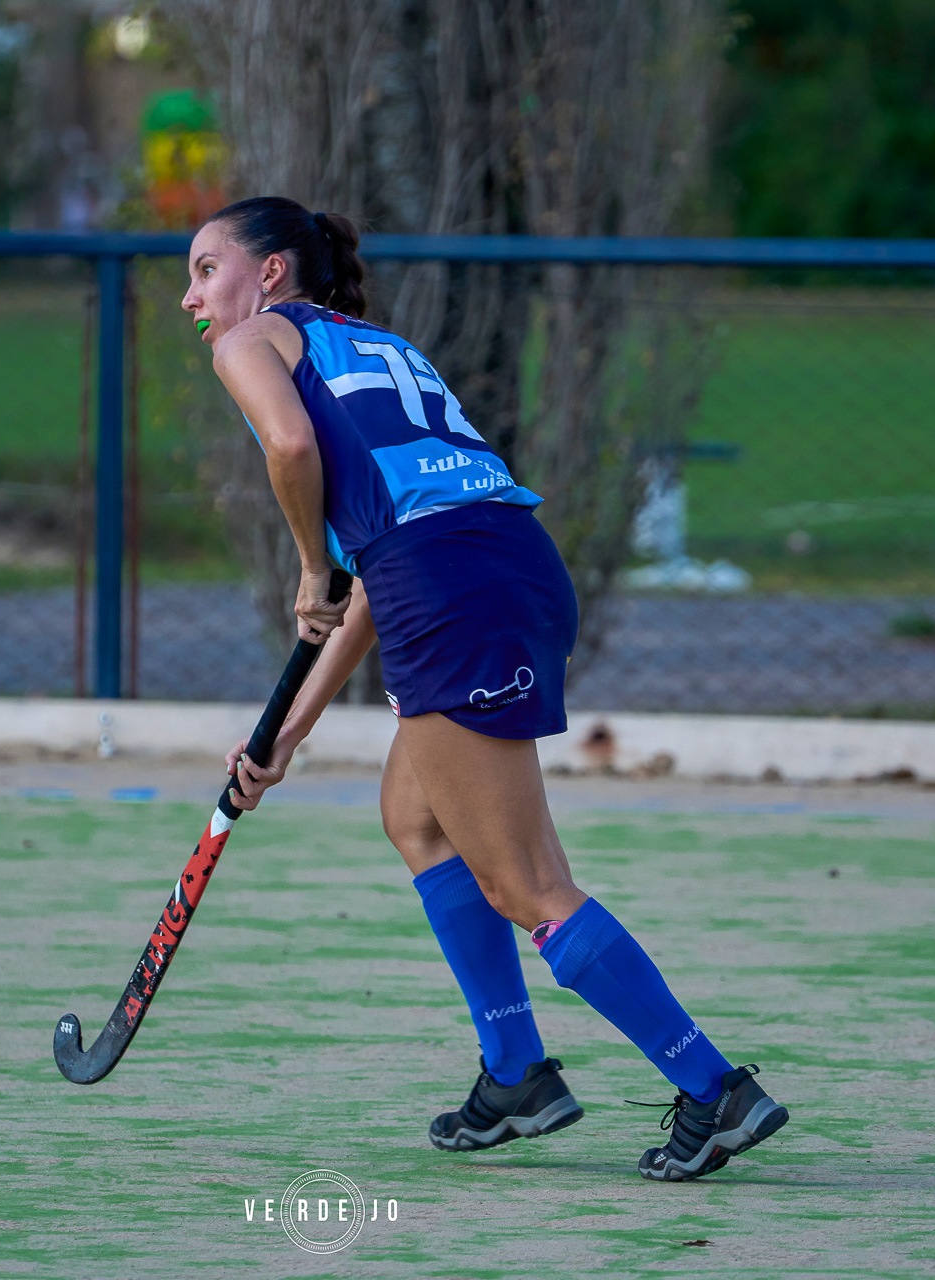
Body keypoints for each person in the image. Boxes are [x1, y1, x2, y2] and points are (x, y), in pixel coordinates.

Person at [181, 195, 789, 1181]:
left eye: (207, 269)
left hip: (451, 587)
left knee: (525, 883)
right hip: (505, 565)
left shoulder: (252, 342)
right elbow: (386, 569)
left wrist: (309, 566)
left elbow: (293, 456)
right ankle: (516, 1074)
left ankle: (712, 1087)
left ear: (272, 273)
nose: (191, 297)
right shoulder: (371, 347)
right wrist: (287, 734)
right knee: (416, 817)